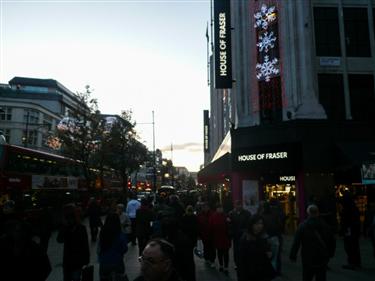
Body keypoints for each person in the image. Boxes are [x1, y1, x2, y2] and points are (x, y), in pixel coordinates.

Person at [290, 205, 336, 281]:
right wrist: (330, 253)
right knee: (321, 276)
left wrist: (293, 255)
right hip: (322, 256)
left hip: (308, 256)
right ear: (318, 213)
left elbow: (296, 242)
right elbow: (332, 241)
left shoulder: (302, 226)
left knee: (307, 277)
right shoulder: (325, 225)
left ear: (308, 213)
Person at [237, 214, 276, 281]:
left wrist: (270, 254)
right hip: (250, 274)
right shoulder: (246, 239)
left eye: (261, 223)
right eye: (256, 223)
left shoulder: (264, 237)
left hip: (263, 274)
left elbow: (267, 256)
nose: (259, 226)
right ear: (251, 224)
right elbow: (241, 262)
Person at [57, 204, 90, 281]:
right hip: (77, 261)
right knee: (76, 278)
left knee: (67, 278)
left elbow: (59, 240)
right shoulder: (81, 228)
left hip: (68, 261)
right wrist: (86, 260)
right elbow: (85, 246)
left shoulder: (65, 228)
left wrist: (64, 227)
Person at [98, 213, 128, 281]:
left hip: (104, 261)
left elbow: (99, 248)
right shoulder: (120, 234)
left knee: (104, 278)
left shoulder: (102, 233)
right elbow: (125, 249)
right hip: (117, 261)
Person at [340, 192, 361, 270]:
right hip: (352, 230)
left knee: (350, 247)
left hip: (350, 230)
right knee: (353, 246)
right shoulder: (353, 207)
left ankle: (352, 263)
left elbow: (346, 220)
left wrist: (344, 229)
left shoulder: (348, 208)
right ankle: (355, 262)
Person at [228, 200, 251, 270]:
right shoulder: (231, 213)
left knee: (244, 249)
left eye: (240, 205)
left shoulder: (247, 213)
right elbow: (229, 224)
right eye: (238, 205)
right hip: (236, 235)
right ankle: (237, 263)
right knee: (236, 250)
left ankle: (244, 262)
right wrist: (231, 233)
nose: (239, 206)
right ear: (235, 205)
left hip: (243, 235)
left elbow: (249, 224)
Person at [209, 204, 231, 274]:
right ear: (216, 209)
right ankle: (221, 265)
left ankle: (226, 267)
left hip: (225, 238)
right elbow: (211, 227)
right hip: (217, 238)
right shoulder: (213, 217)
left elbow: (229, 226)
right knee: (220, 253)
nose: (220, 209)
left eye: (221, 208)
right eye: (219, 208)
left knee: (226, 253)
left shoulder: (226, 216)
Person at [197, 202, 215, 267]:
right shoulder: (199, 215)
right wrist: (199, 234)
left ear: (208, 207)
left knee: (212, 248)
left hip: (211, 234)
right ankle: (207, 258)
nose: (204, 208)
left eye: (206, 207)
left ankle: (212, 260)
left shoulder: (212, 214)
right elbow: (198, 225)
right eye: (203, 207)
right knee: (206, 247)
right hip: (204, 234)